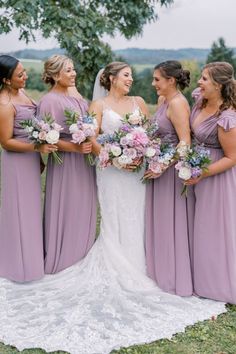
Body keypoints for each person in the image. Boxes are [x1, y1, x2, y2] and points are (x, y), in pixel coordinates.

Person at [0, 61, 225, 354]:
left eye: (134, 74)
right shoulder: (98, 103)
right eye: (127, 75)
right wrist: (113, 156)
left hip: (136, 170)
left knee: (138, 217)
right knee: (114, 218)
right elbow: (90, 137)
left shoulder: (141, 101)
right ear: (111, 79)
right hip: (110, 170)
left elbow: (151, 134)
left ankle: (143, 264)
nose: (132, 79)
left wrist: (144, 155)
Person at [37, 54, 97, 274]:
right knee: (68, 205)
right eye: (68, 70)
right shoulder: (49, 101)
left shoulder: (77, 98)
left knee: (85, 206)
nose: (74, 74)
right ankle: (64, 259)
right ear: (55, 74)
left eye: (73, 69)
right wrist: (75, 147)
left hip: (84, 163)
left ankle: (83, 254)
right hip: (66, 165)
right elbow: (45, 138)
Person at [0, 55, 56, 282]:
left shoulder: (21, 93)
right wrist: (37, 146)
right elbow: (5, 142)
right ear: (5, 80)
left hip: (31, 159)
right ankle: (19, 264)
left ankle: (32, 258)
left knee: (32, 208)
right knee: (20, 209)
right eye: (20, 75)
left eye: (24, 72)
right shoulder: (4, 105)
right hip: (17, 163)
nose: (26, 77)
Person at [185, 61, 236, 304]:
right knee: (198, 226)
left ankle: (216, 284)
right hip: (196, 169)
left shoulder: (226, 117)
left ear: (218, 84)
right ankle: (198, 277)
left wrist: (203, 172)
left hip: (216, 175)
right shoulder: (200, 99)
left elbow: (232, 158)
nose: (199, 82)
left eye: (204, 79)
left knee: (214, 228)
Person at [144, 60, 194, 296]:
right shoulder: (163, 101)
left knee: (170, 221)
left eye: (157, 79)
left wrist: (162, 165)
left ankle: (173, 274)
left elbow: (185, 141)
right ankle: (159, 269)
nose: (153, 83)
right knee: (160, 220)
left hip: (170, 172)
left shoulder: (178, 104)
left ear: (171, 80)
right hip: (158, 167)